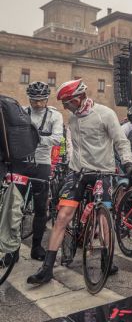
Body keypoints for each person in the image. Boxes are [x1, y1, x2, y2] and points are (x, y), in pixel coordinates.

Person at [27, 79, 132, 285]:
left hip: (103, 172)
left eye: (67, 103)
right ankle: (47, 268)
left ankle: (106, 259)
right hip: (78, 172)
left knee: (104, 218)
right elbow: (74, 147)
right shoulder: (74, 118)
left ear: (79, 98)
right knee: (62, 217)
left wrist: (128, 164)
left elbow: (121, 142)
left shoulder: (106, 114)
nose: (65, 107)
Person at [11, 82, 64, 261]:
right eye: (34, 100)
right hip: (21, 163)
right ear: (30, 99)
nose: (38, 104)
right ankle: (13, 249)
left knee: (41, 208)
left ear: (47, 99)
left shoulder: (54, 115)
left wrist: (33, 139)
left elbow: (57, 139)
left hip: (42, 163)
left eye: (41, 100)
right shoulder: (21, 113)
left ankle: (36, 247)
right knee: (15, 207)